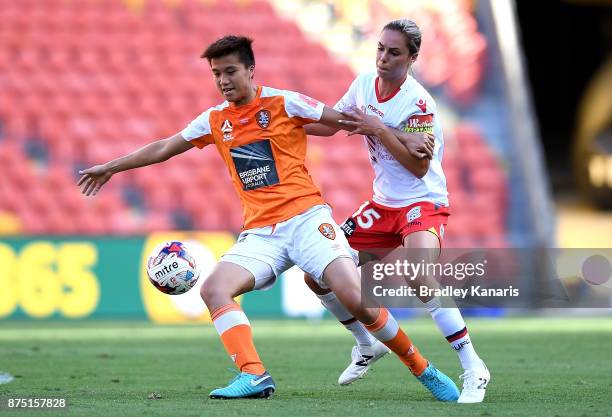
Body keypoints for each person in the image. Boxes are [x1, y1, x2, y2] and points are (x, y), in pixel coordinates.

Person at [77, 35, 459, 401]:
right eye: (216, 74)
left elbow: (345, 119)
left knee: (355, 297)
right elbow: (164, 147)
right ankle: (252, 374)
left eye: (230, 71)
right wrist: (110, 167)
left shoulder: (284, 102)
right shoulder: (214, 120)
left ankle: (422, 368)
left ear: (250, 71)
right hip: (262, 233)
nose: (223, 81)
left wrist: (406, 138)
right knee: (214, 290)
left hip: (307, 219)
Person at [303, 19, 490, 403]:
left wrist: (380, 128)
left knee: (420, 277)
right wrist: (285, 123)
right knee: (316, 273)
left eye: (394, 52)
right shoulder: (361, 85)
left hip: (422, 201)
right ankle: (367, 343)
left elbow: (419, 167)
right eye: (380, 49)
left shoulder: (419, 102)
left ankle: (474, 368)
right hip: (381, 204)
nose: (383, 58)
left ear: (412, 58)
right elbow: (333, 125)